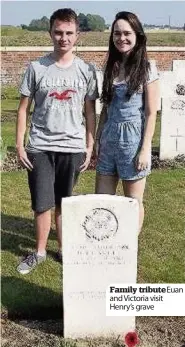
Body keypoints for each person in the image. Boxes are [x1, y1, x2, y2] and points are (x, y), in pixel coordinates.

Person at [16, 8, 98, 274]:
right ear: (50, 33)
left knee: (65, 202)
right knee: (42, 202)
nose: (63, 38)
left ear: (78, 36)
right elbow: (23, 109)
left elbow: (89, 111)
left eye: (69, 33)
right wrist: (20, 144)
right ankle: (39, 252)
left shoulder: (86, 70)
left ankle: (64, 250)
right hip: (40, 146)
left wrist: (89, 145)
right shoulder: (36, 68)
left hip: (72, 147)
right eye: (59, 32)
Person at [95, 11, 159, 233]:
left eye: (126, 33)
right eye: (117, 33)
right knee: (102, 200)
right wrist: (98, 138)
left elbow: (152, 112)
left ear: (138, 36)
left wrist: (145, 148)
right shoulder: (110, 68)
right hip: (109, 139)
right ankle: (105, 241)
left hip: (132, 141)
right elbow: (106, 107)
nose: (121, 38)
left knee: (133, 202)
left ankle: (129, 246)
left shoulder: (147, 69)